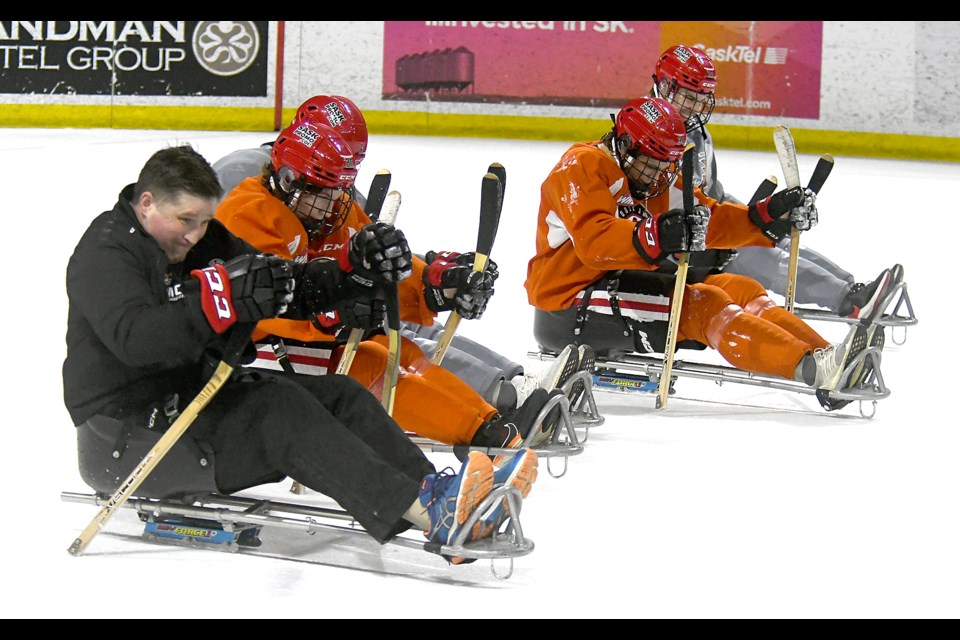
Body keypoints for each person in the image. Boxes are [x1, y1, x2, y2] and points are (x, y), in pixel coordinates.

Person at [63, 143, 538, 564]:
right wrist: (218, 304)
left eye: (205, 220)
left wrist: (351, 271)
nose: (195, 235)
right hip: (126, 440)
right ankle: (428, 515)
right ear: (146, 203)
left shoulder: (203, 240)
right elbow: (135, 339)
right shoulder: (105, 253)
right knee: (279, 407)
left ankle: (441, 499)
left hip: (191, 406)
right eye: (185, 220)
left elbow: (285, 282)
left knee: (340, 395)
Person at [214, 117, 564, 453]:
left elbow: (379, 259)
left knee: (402, 349)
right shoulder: (246, 214)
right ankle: (481, 434)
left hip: (315, 338)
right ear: (291, 181)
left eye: (342, 191)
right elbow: (260, 301)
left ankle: (491, 420)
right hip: (255, 349)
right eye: (327, 193)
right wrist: (333, 313)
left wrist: (433, 284)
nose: (338, 204)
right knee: (374, 368)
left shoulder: (326, 208)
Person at [525, 96, 890, 411]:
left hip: (616, 285)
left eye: (666, 165)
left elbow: (707, 218)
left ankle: (835, 359)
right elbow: (595, 244)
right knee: (705, 303)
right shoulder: (580, 168)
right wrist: (656, 234)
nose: (659, 177)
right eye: (652, 164)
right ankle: (814, 370)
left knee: (742, 289)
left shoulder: (656, 171)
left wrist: (764, 218)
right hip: (569, 302)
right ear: (623, 143)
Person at [650, 44, 903, 326]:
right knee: (759, 252)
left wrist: (756, 214)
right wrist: (734, 228)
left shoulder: (695, 128)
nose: (696, 105)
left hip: (710, 226)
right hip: (680, 246)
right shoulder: (652, 133)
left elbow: (711, 192)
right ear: (665, 86)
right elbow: (660, 204)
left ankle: (853, 290)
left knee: (776, 236)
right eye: (689, 96)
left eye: (701, 97)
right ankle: (847, 300)